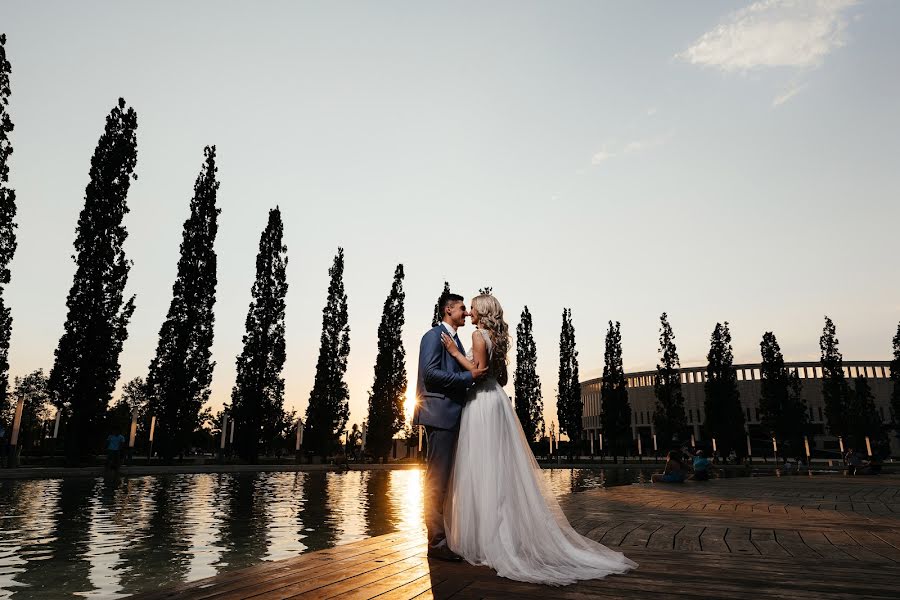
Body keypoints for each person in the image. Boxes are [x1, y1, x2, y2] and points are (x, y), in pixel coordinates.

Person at [438, 293, 636, 584]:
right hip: (498, 401)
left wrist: (456, 354)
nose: (469, 313)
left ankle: (489, 540)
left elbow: (478, 373)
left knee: (482, 468)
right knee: (499, 471)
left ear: (482, 311)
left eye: (473, 308)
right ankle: (501, 535)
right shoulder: (498, 338)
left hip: (481, 402)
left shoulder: (479, 336)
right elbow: (501, 379)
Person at [413, 292, 487, 562]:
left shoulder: (455, 340)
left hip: (455, 415)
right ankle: (436, 542)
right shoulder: (433, 336)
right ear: (448, 310)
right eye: (461, 308)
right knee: (437, 479)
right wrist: (468, 376)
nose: (466, 313)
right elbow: (430, 374)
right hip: (440, 414)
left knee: (449, 480)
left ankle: (448, 535)